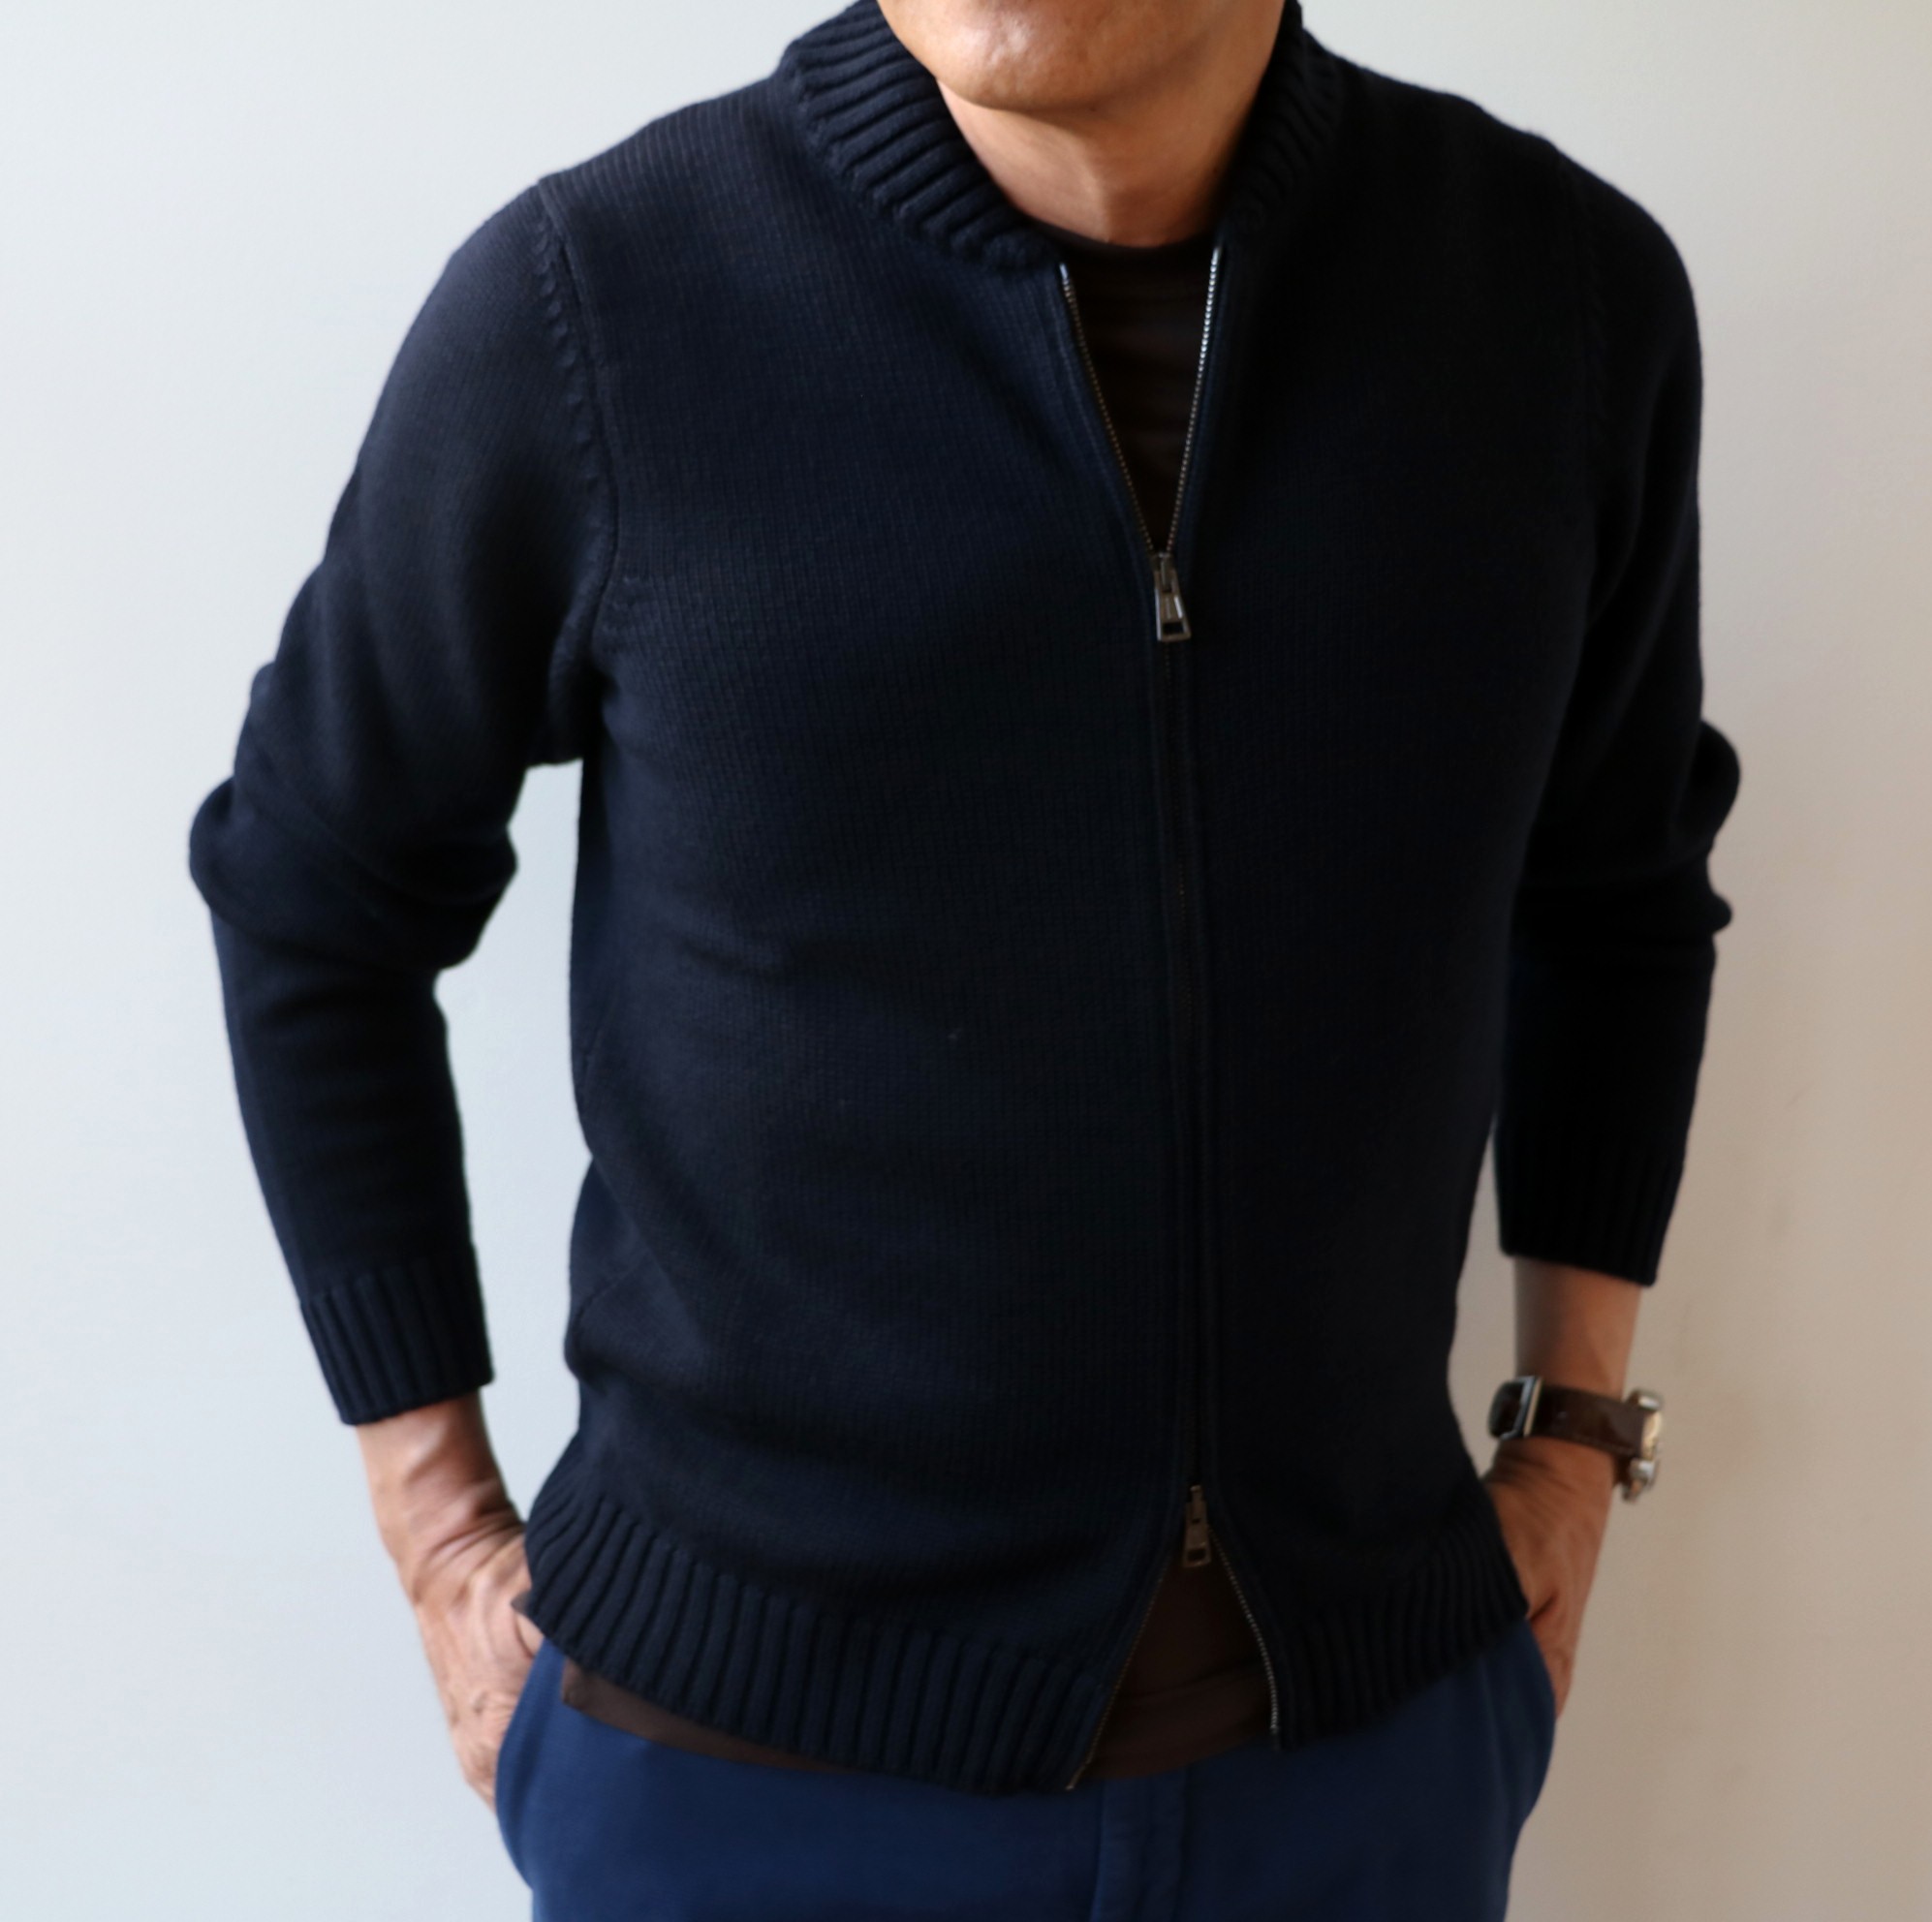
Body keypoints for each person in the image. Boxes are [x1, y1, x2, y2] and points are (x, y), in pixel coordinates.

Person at [185, 0, 1741, 1913]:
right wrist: (441, 1534)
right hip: (740, 1777)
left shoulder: (1555, 297)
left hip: (1362, 1763)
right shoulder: (599, 300)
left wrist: (1573, 1438)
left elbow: (1618, 894)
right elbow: (314, 893)